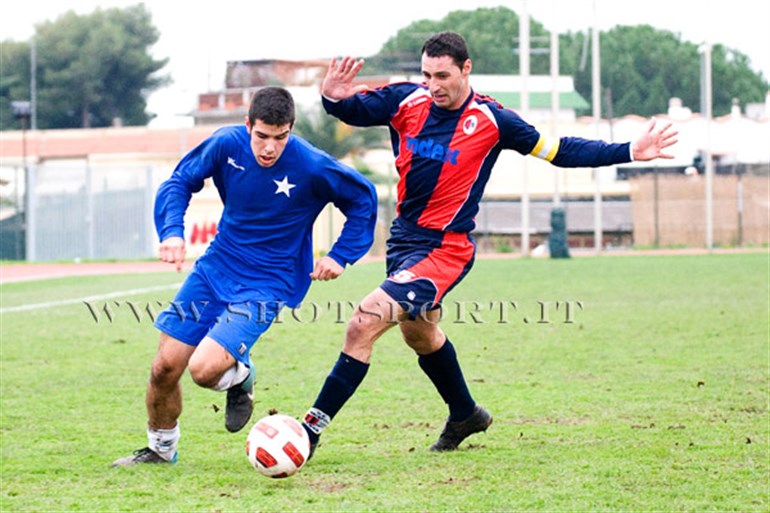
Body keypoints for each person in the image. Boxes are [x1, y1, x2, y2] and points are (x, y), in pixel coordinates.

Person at [300, 31, 677, 457]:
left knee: (362, 323)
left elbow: (561, 151)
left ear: (466, 69)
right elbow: (348, 106)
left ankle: (308, 431)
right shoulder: (406, 101)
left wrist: (629, 148)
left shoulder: (493, 120)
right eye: (427, 74)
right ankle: (465, 414)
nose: (433, 85)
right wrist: (332, 97)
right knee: (419, 336)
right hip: (403, 242)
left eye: (443, 75)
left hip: (446, 249)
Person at [112, 86, 378, 467]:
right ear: (247, 125)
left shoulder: (312, 165)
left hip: (269, 282)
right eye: (262, 136)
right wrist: (172, 231)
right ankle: (160, 450)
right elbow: (179, 181)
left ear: (291, 130)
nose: (270, 148)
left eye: (280, 137)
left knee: (203, 371)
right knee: (164, 367)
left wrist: (341, 255)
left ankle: (240, 376)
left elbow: (363, 199)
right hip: (216, 267)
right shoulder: (226, 144)